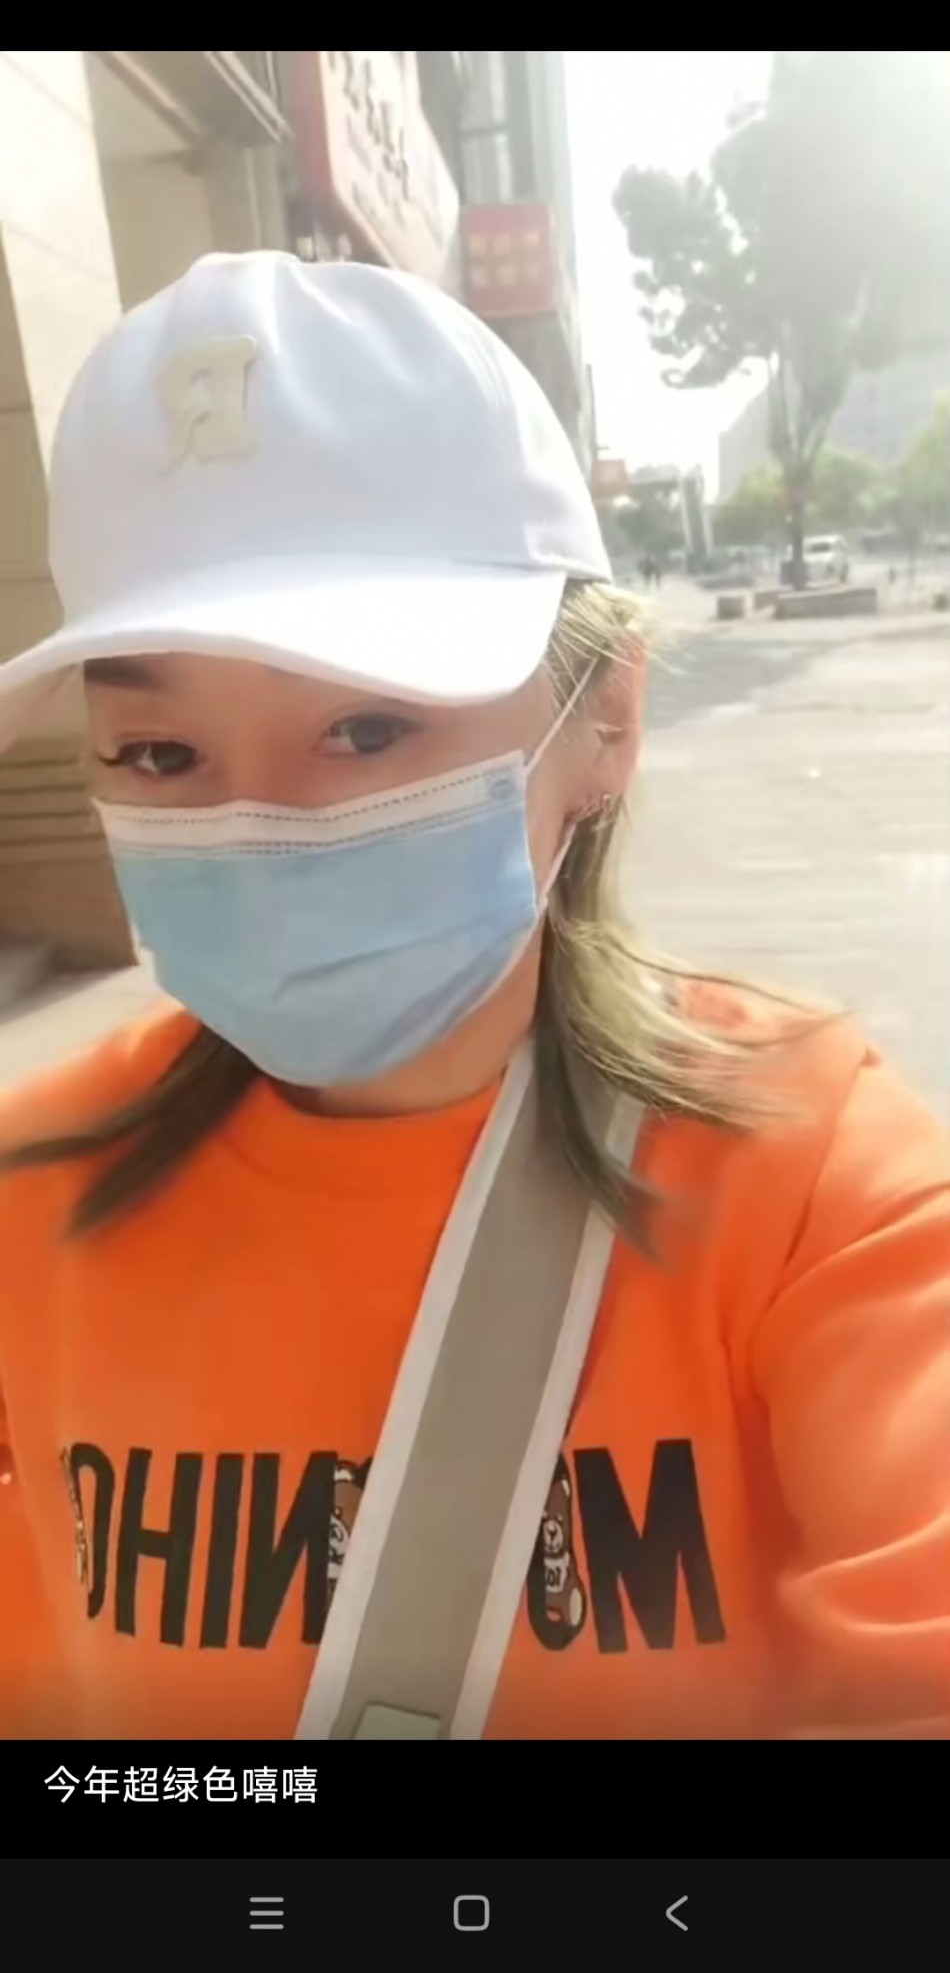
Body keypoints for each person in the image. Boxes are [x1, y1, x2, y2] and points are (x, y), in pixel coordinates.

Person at [0, 253, 946, 1743]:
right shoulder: (32, 1185)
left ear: (606, 718)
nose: (261, 827)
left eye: (367, 729)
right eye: (161, 755)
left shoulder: (812, 1181)